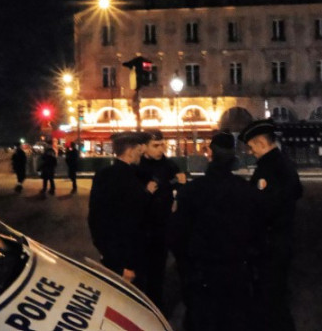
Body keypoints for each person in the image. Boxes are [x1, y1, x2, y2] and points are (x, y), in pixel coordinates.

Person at [170, 132, 261, 331]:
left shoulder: (192, 191)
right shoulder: (246, 191)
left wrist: (185, 267)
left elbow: (178, 235)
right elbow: (257, 232)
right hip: (236, 270)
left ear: (210, 154)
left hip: (201, 272)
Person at [239, 119, 303, 331]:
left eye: (251, 147)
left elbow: (262, 206)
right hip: (280, 241)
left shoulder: (270, 167)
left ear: (261, 143)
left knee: (271, 300)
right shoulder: (281, 162)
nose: (251, 152)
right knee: (275, 297)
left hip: (269, 244)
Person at [88, 132, 157, 285]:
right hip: (128, 259)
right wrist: (126, 265)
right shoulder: (130, 180)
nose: (141, 155)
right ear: (130, 151)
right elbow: (131, 222)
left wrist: (104, 252)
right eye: (138, 151)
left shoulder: (104, 174)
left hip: (111, 254)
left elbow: (95, 218)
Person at [136, 129, 186, 307]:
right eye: (155, 146)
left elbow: (181, 192)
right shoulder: (138, 168)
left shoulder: (170, 166)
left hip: (163, 226)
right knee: (141, 272)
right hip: (142, 228)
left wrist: (181, 187)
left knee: (158, 270)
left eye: (162, 145)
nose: (160, 149)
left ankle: (155, 305)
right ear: (144, 147)